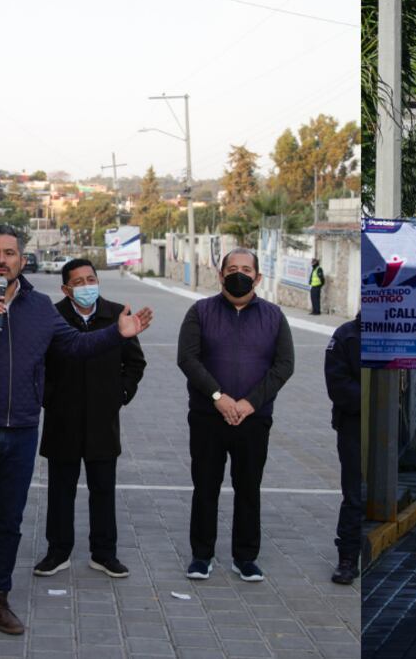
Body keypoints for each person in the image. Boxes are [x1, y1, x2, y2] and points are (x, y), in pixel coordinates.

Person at [0, 226, 153, 635]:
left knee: (8, 521)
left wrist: (116, 333)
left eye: (9, 253)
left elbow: (75, 347)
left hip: (21, 432)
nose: (2, 260)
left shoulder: (40, 307)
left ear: (22, 260)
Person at [177, 248, 294, 583]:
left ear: (258, 277)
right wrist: (219, 397)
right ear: (221, 274)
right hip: (207, 417)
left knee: (248, 488)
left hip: (253, 419)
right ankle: (202, 556)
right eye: (232, 268)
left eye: (246, 269)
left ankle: (245, 558)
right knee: (205, 486)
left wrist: (249, 403)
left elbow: (284, 365)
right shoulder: (200, 312)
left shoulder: (273, 316)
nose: (238, 274)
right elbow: (188, 359)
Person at [33, 259, 146, 580]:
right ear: (66, 289)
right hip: (62, 419)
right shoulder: (51, 317)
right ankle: (58, 552)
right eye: (79, 282)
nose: (87, 286)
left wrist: (120, 395)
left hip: (102, 419)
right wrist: (49, 398)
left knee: (103, 488)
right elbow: (37, 364)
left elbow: (135, 363)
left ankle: (104, 553)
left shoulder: (117, 314)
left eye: (91, 279)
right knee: (60, 490)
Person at [326, 314, 361, 585]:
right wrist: (373, 398)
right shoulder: (345, 336)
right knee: (354, 493)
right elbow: (337, 385)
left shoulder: (397, 336)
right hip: (353, 425)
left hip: (392, 425)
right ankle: (347, 558)